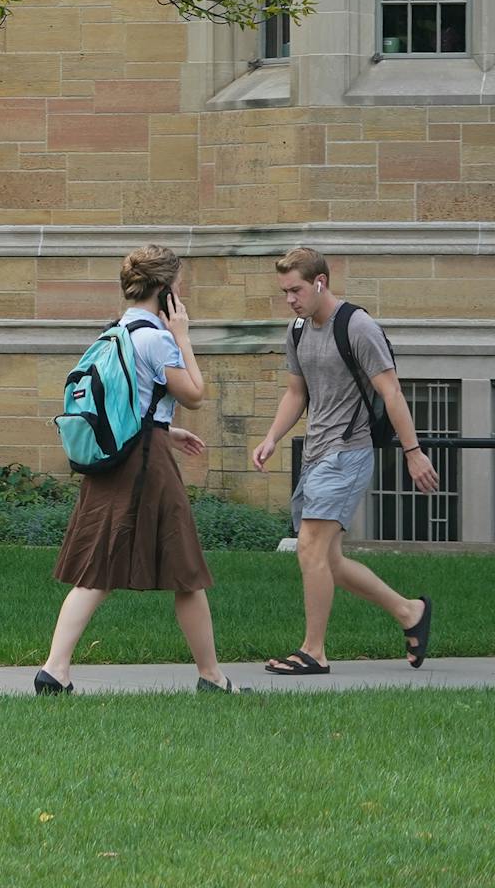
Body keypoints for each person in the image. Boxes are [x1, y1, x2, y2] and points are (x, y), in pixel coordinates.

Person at [36, 245, 238, 694]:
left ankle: (54, 669)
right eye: (177, 286)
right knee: (185, 572)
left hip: (119, 456)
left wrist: (167, 432)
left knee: (98, 569)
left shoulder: (117, 331)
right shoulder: (157, 337)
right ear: (165, 290)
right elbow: (195, 394)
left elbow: (136, 400)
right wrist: (183, 335)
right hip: (147, 466)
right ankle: (211, 676)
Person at [250, 247, 438, 675]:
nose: (290, 299)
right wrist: (272, 437)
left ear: (320, 282)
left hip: (348, 452)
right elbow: (297, 392)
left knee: (311, 548)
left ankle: (313, 651)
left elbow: (391, 391)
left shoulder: (357, 325)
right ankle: (410, 612)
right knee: (329, 562)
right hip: (316, 454)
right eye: (284, 291)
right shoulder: (297, 329)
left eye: (295, 289)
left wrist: (413, 452)